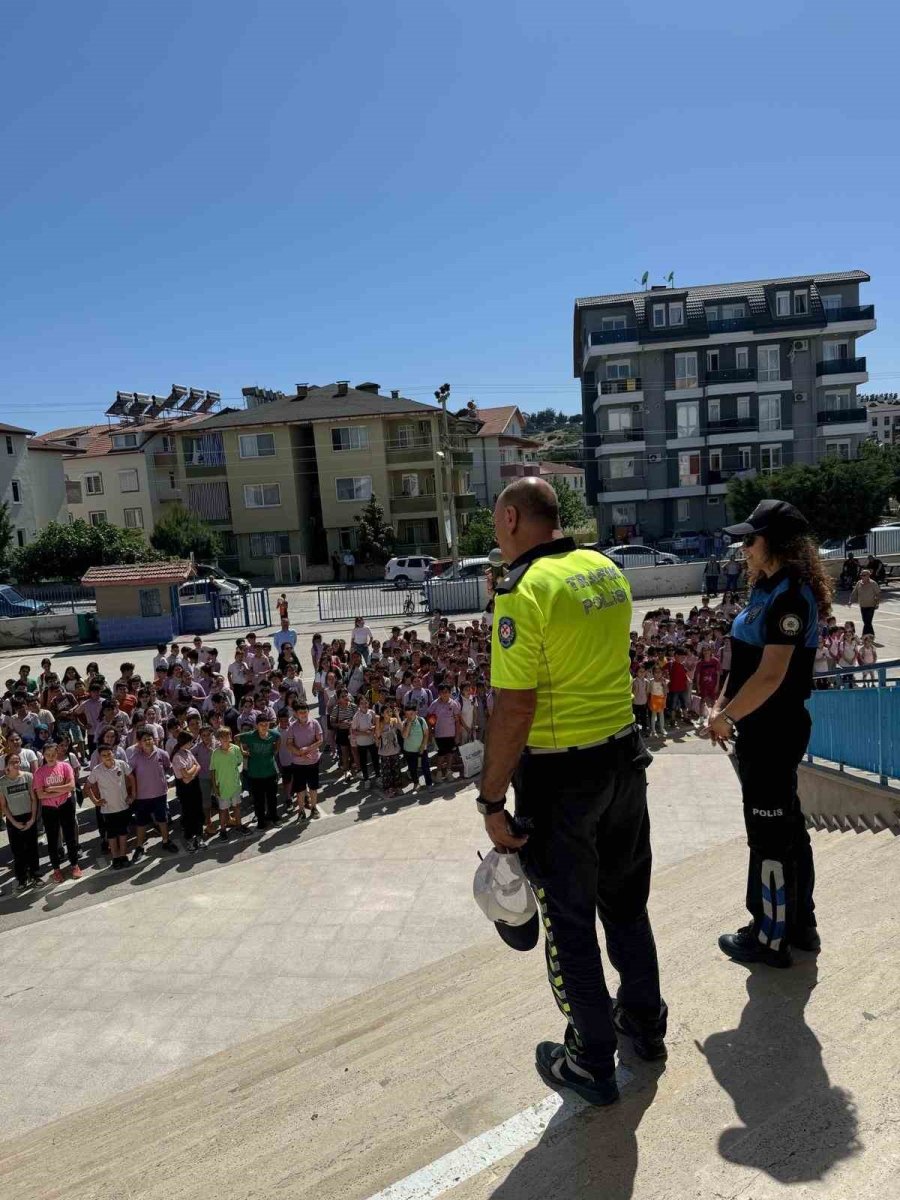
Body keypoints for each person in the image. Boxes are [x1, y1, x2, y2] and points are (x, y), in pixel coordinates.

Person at [479, 477, 666, 1107]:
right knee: (626, 905)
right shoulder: (605, 568)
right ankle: (644, 1024)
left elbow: (515, 705)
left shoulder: (521, 589)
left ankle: (590, 1061)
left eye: (494, 523)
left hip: (561, 780)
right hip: (623, 760)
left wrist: (490, 799)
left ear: (510, 518)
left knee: (570, 924)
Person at [704, 499, 829, 968]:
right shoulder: (766, 590)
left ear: (773, 544)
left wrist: (728, 718)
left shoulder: (790, 598)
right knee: (788, 828)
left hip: (773, 730)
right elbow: (743, 664)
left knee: (769, 836)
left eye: (750, 539)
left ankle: (770, 937)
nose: (743, 546)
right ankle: (799, 924)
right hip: (756, 726)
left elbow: (772, 675)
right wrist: (721, 706)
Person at [126, 730, 178, 863]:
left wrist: (165, 780)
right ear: (139, 743)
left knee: (162, 819)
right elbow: (129, 773)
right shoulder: (135, 757)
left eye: (150, 739)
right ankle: (139, 846)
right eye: (144, 740)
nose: (148, 741)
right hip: (142, 797)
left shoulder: (161, 753)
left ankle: (166, 841)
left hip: (160, 794)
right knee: (141, 822)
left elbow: (168, 767)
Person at [34, 742, 82, 883]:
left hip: (66, 804)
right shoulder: (39, 772)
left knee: (70, 836)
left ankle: (74, 865)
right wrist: (61, 789)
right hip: (49, 809)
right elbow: (40, 795)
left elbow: (71, 786)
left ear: (58, 753)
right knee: (53, 839)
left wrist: (50, 789)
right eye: (48, 754)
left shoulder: (65, 766)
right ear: (43, 755)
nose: (51, 757)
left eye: (53, 754)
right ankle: (56, 869)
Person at [86, 747, 136, 869]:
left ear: (113, 753)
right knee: (112, 835)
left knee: (123, 833)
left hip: (123, 806)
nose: (107, 757)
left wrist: (133, 794)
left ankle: (123, 856)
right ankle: (115, 858)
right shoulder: (97, 770)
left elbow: (132, 778)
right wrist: (96, 801)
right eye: (104, 755)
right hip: (108, 810)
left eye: (109, 754)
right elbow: (87, 787)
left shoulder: (121, 764)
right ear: (100, 757)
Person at [0, 753, 42, 891]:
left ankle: (35, 875)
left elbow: (33, 799)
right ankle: (22, 878)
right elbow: (4, 806)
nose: (16, 764)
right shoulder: (2, 782)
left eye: (18, 761)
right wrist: (13, 823)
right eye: (12, 762)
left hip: (29, 816)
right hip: (14, 819)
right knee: (18, 852)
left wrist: (32, 819)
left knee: (32, 849)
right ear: (6, 765)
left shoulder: (28, 776)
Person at [239, 714, 280, 829]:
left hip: (270, 772)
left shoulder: (273, 734)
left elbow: (279, 738)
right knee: (259, 800)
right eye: (261, 725)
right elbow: (237, 737)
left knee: (272, 798)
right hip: (255, 775)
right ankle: (261, 821)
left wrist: (275, 750)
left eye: (266, 724)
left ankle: (274, 817)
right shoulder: (250, 735)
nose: (264, 727)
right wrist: (243, 752)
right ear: (256, 726)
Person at [286, 702, 323, 817]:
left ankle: (314, 807)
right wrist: (300, 753)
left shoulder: (315, 723)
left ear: (308, 711)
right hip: (298, 763)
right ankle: (301, 810)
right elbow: (289, 744)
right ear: (296, 714)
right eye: (300, 712)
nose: (303, 714)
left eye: (305, 712)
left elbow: (320, 740)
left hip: (313, 761)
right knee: (300, 788)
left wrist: (308, 749)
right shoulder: (292, 726)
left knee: (313, 787)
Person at [172, 731, 204, 852]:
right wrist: (192, 771)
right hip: (185, 789)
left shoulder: (188, 752)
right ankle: (189, 838)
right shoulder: (177, 756)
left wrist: (192, 773)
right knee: (188, 813)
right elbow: (185, 775)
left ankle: (199, 835)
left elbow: (198, 766)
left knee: (198, 811)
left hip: (194, 785)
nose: (192, 743)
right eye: (191, 741)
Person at [210, 726, 244, 837]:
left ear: (230, 736)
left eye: (227, 735)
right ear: (218, 738)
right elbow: (213, 771)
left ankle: (239, 825)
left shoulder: (236, 749)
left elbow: (240, 764)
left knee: (237, 807)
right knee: (223, 810)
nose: (225, 738)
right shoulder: (215, 753)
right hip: (222, 786)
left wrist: (237, 776)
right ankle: (223, 830)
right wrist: (215, 787)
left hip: (235, 785)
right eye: (222, 736)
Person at [401, 702, 432, 789]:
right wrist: (409, 724)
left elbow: (426, 734)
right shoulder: (405, 723)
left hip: (422, 749)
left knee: (425, 767)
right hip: (409, 751)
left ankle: (429, 783)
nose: (409, 716)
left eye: (411, 714)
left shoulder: (421, 720)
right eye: (407, 714)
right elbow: (404, 736)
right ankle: (416, 783)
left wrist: (423, 745)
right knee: (412, 768)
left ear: (416, 712)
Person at [850, 569, 880, 639]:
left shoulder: (873, 583)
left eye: (864, 575)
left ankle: (864, 635)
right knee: (866, 621)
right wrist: (850, 600)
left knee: (867, 621)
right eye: (861, 575)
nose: (862, 576)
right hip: (862, 605)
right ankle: (871, 635)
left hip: (871, 605)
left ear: (868, 575)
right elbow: (854, 592)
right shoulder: (859, 583)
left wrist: (877, 603)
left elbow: (878, 594)